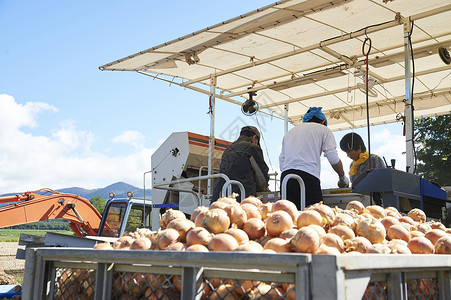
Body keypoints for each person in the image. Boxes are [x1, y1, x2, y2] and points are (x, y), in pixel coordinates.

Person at [279, 107, 349, 210]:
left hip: (286, 179)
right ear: (323, 121)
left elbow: (282, 162)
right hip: (308, 177)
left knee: (289, 219)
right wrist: (342, 177)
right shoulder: (324, 130)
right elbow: (333, 158)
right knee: (313, 218)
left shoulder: (290, 133)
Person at [211, 126, 269, 202]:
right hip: (240, 196)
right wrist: (263, 188)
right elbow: (262, 178)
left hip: (220, 195)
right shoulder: (253, 148)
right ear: (254, 137)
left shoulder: (228, 149)